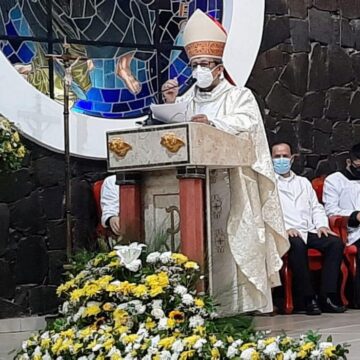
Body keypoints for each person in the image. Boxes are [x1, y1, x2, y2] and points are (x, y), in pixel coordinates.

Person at [162, 9, 289, 315]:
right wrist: (169, 107)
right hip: (194, 186)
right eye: (194, 65)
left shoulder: (239, 96)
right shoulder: (186, 99)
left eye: (204, 65)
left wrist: (213, 122)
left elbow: (249, 128)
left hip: (233, 186)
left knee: (232, 243)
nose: (199, 70)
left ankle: (238, 307)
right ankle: (197, 305)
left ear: (218, 68)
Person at [271, 142, 346, 315]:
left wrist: (321, 225)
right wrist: (286, 228)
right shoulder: (269, 185)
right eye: (277, 156)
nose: (281, 159)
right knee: (296, 244)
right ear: (271, 159)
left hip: (309, 228)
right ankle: (308, 298)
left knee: (335, 243)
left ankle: (328, 296)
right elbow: (268, 213)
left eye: (285, 156)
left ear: (292, 158)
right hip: (284, 231)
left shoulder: (303, 182)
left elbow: (316, 207)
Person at [323, 142, 360, 306]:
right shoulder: (334, 181)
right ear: (349, 162)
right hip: (350, 230)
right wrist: (355, 216)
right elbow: (331, 211)